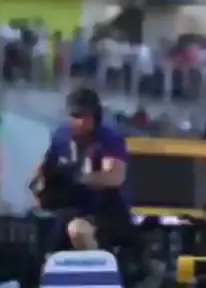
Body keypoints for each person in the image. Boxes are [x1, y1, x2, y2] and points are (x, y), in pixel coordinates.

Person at [36, 87, 135, 253]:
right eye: (75, 116)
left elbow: (114, 176)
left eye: (84, 116)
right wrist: (41, 185)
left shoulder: (109, 139)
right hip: (70, 209)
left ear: (95, 116)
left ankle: (98, 265)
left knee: (78, 230)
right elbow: (44, 169)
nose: (80, 121)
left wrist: (76, 178)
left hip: (105, 211)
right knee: (44, 229)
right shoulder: (61, 137)